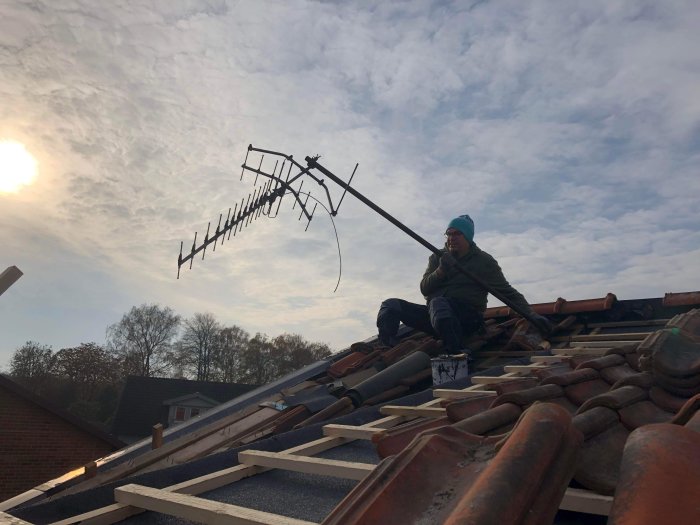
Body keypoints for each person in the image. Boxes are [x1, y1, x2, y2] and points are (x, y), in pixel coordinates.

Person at [376, 214, 548, 356]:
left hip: (467, 319)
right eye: (449, 234)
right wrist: (441, 271)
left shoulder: (484, 262)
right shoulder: (438, 257)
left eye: (457, 234)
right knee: (390, 305)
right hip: (436, 318)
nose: (451, 238)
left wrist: (531, 314)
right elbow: (424, 288)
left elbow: (508, 293)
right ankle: (388, 348)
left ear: (467, 237)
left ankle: (457, 351)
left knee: (439, 303)